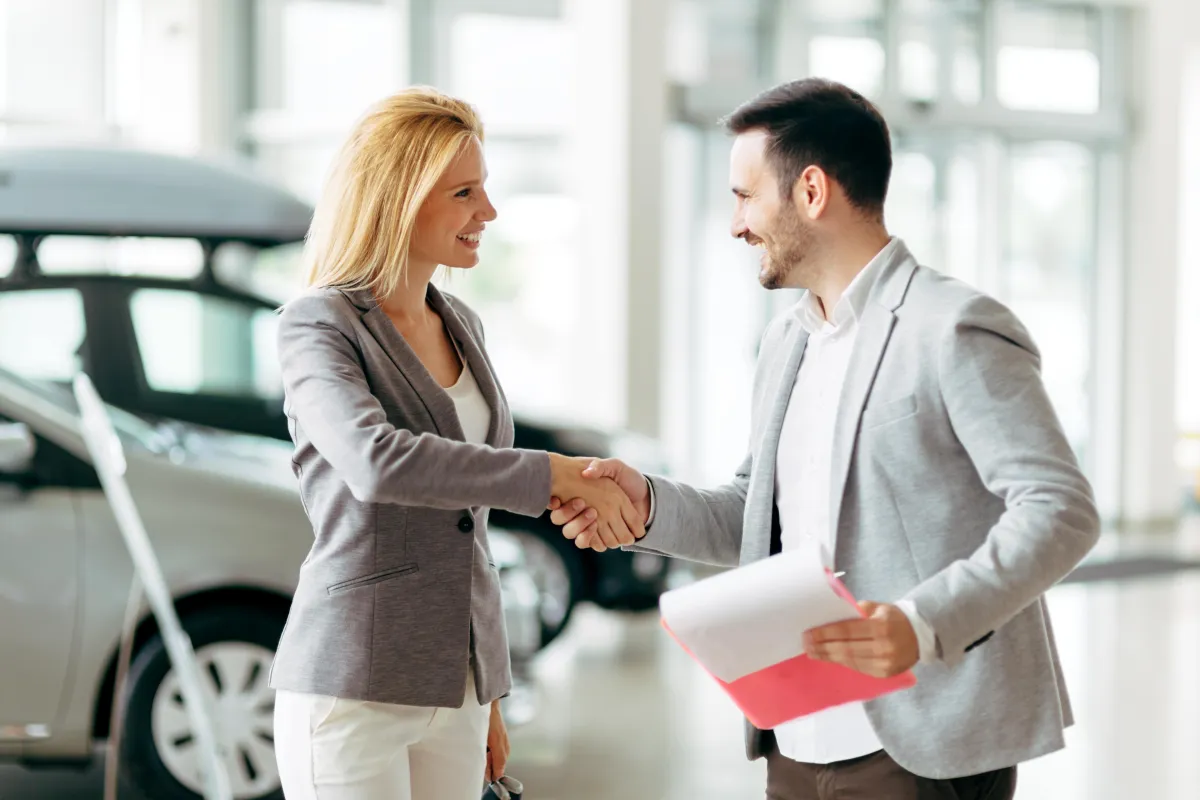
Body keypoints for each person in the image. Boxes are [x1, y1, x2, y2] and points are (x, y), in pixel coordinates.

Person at [551, 78, 1100, 800]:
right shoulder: (789, 340)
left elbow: (1059, 508)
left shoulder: (953, 327)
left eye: (745, 196)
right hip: (798, 734)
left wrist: (923, 624)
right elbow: (757, 512)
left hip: (922, 742)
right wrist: (645, 504)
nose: (735, 223)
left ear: (810, 192)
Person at [269, 87, 645, 800]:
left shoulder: (462, 320)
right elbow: (376, 462)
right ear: (399, 198)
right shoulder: (317, 326)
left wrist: (488, 689)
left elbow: (466, 529)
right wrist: (554, 474)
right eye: (465, 192)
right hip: (354, 684)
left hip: (457, 688)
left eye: (485, 189)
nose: (489, 213)